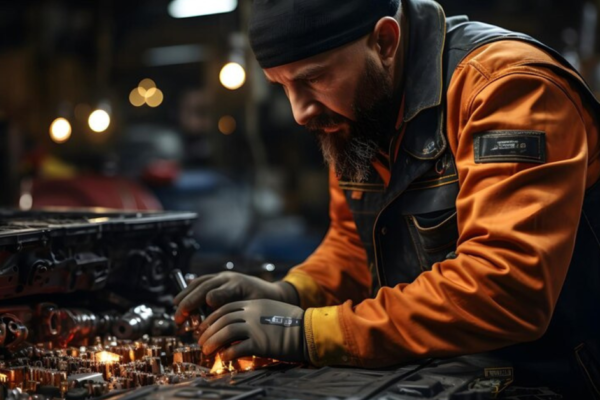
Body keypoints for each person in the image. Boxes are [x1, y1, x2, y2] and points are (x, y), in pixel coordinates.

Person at [174, 0, 600, 395]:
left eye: (313, 78)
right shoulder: (362, 112)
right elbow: (354, 245)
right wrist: (290, 294)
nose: (299, 112)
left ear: (385, 41)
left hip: (558, 376)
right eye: (281, 85)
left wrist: (308, 331)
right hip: (447, 370)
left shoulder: (508, 87)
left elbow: (505, 289)